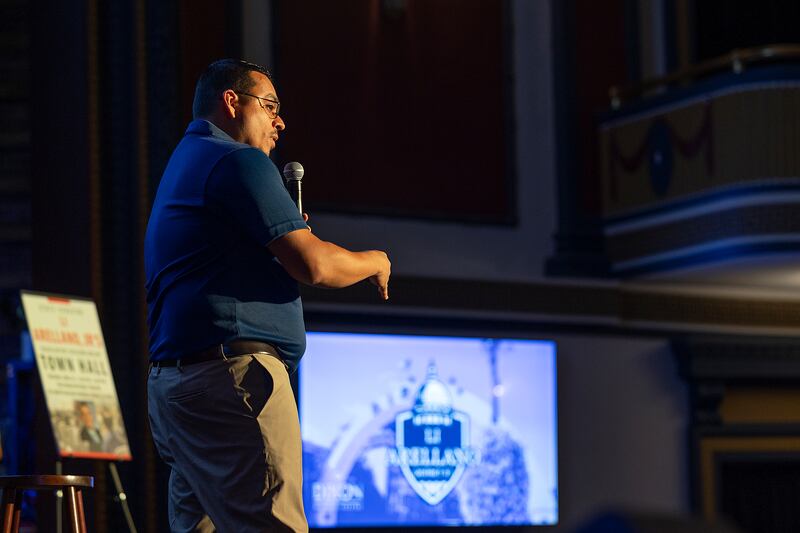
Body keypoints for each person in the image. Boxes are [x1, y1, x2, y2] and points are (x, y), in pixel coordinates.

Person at [144, 59, 391, 533]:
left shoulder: (185, 162)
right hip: (232, 382)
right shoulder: (237, 160)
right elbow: (314, 264)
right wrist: (375, 260)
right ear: (231, 102)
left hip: (176, 388)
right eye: (270, 106)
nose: (280, 122)